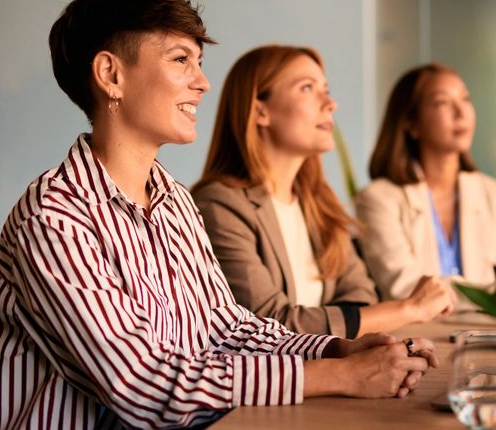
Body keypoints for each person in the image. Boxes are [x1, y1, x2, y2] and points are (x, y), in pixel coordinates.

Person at [0, 0, 437, 429]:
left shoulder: (173, 200)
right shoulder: (53, 216)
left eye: (198, 61)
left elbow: (229, 329)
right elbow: (141, 387)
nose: (203, 83)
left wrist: (337, 350)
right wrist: (342, 377)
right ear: (110, 75)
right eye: (181, 60)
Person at [192, 45, 453, 339]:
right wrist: (407, 309)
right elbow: (267, 323)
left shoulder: (319, 202)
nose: (330, 103)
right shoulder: (219, 204)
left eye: (325, 89)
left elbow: (360, 296)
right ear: (260, 111)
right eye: (307, 88)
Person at [355, 63, 496, 303]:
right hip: (416, 336)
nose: (461, 112)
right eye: (442, 102)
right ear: (411, 124)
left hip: (489, 337)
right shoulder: (377, 199)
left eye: (466, 99)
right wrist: (485, 296)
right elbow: (405, 289)